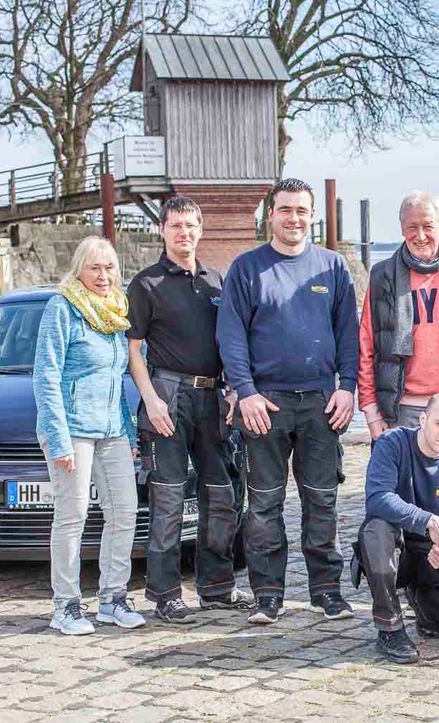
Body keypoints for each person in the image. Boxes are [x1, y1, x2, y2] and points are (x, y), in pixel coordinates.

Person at [217, 178, 358, 625]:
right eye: (284, 210)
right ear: (270, 215)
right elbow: (231, 335)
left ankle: (326, 591)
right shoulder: (247, 268)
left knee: (322, 500)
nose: (293, 218)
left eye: (301, 210)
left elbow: (349, 335)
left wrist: (347, 386)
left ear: (312, 215)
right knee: (263, 504)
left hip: (321, 401)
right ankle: (268, 595)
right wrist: (246, 392)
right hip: (265, 404)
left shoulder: (332, 268)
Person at [127, 196, 253, 624]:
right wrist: (150, 399)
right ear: (162, 230)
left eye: (191, 226)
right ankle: (164, 594)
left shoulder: (217, 282)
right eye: (176, 225)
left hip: (214, 398)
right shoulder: (145, 285)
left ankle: (216, 588)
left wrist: (235, 389)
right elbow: (134, 351)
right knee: (168, 498)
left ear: (201, 230)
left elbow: (231, 343)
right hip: (168, 397)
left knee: (222, 496)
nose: (184, 233)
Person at [34, 236, 145, 634]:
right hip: (72, 430)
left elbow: (118, 380)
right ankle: (65, 606)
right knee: (73, 515)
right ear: (79, 269)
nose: (103, 275)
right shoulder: (62, 308)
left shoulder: (116, 313)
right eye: (94, 267)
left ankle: (113, 599)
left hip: (112, 429)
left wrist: (130, 434)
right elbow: (46, 375)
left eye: (109, 267)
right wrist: (58, 438)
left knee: (125, 512)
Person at [357, 191, 439, 467]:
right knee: (403, 501)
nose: (420, 235)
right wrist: (371, 412)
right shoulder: (382, 276)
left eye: (428, 226)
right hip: (401, 411)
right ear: (402, 228)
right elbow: (367, 346)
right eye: (411, 228)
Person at [357, 393, 439, 664]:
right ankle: (389, 627)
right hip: (396, 547)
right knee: (376, 529)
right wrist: (426, 519)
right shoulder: (392, 444)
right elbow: (377, 497)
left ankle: (426, 610)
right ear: (423, 419)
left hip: (432, 555)